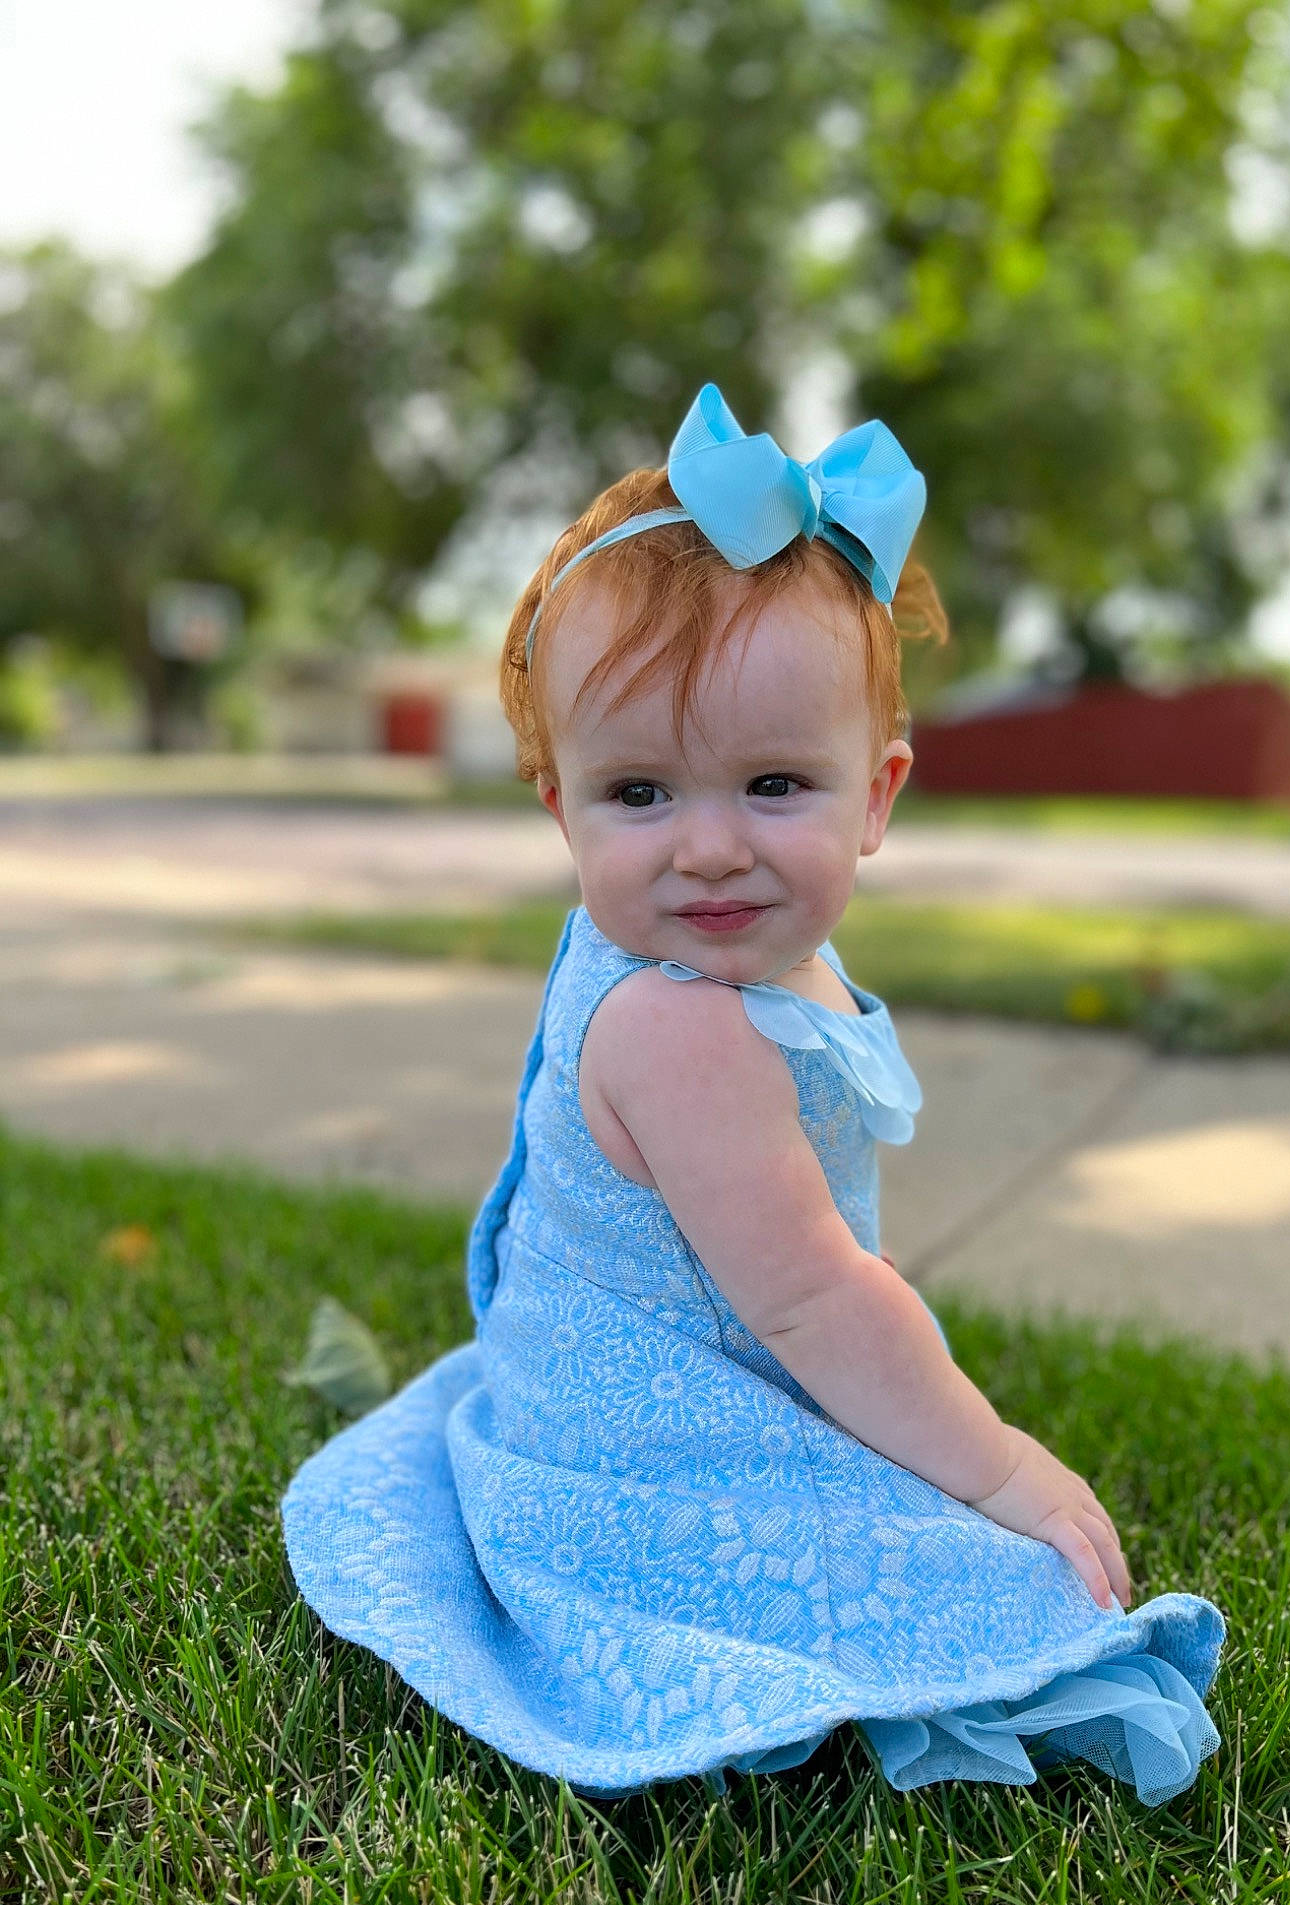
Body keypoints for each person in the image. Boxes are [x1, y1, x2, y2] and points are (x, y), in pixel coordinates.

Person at [283, 384, 1224, 1800]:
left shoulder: (728, 954)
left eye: (775, 783)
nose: (709, 849)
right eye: (641, 795)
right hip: (644, 1440)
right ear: (562, 804)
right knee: (954, 1571)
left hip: (646, 1353)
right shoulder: (683, 1034)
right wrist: (1004, 1473)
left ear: (877, 794)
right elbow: (818, 1303)